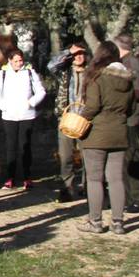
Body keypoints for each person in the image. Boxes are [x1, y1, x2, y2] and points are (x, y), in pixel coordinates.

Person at [76, 40, 135, 235]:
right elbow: (132, 108)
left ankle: (96, 222)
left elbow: (92, 107)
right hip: (119, 133)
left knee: (95, 180)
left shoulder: (97, 79)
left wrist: (80, 118)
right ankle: (118, 223)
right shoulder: (128, 80)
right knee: (116, 179)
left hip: (97, 134)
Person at [0, 48, 46, 189]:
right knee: (10, 146)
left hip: (27, 115)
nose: (18, 63)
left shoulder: (30, 72)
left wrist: (31, 103)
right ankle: (10, 177)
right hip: (9, 115)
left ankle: (27, 177)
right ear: (9, 61)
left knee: (25, 146)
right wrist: (4, 107)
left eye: (20, 60)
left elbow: (41, 91)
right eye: (15, 61)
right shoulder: (3, 73)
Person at [47, 41, 90, 202]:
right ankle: (68, 188)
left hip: (86, 120)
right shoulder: (65, 72)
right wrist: (68, 52)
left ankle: (89, 188)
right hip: (66, 119)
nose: (79, 57)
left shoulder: (91, 72)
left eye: (82, 54)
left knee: (88, 156)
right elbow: (51, 66)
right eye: (76, 54)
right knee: (66, 157)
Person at [113, 33, 139, 212]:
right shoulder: (124, 63)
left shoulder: (132, 63)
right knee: (125, 160)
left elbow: (138, 91)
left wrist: (120, 100)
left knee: (133, 158)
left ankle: (138, 199)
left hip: (132, 118)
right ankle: (128, 199)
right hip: (125, 118)